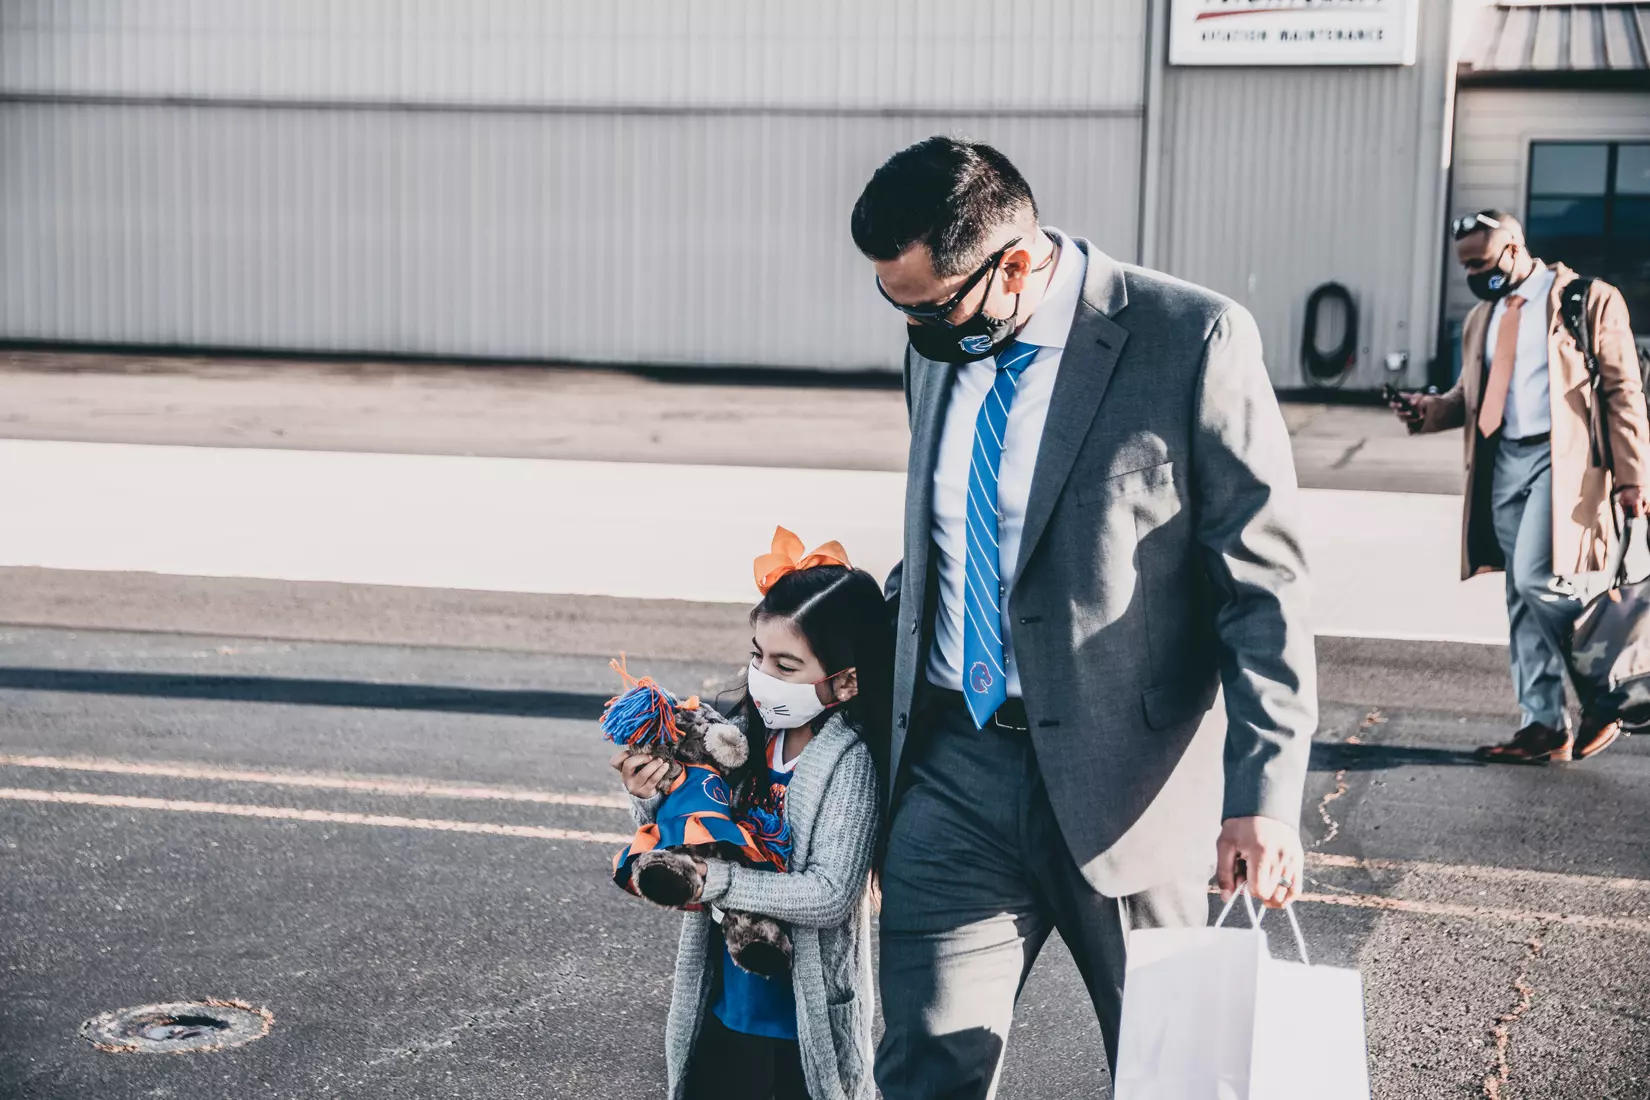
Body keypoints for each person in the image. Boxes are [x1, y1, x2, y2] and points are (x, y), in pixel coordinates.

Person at [851, 137, 1316, 1096]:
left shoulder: (1192, 338)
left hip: (1134, 790)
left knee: (1177, 1073)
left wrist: (1263, 796)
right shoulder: (938, 353)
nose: (914, 331)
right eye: (896, 308)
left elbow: (1263, 586)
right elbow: (950, 548)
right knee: (922, 1066)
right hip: (953, 775)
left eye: (931, 308)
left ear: (1014, 262)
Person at [613, 528, 890, 1100]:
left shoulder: (850, 763)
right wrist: (650, 792)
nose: (764, 677)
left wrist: (718, 881)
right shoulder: (739, 742)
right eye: (758, 656)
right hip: (724, 1006)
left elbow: (831, 894)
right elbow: (694, 823)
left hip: (802, 1024)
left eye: (787, 666)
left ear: (846, 680)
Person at [1393, 210, 1649, 764]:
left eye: (1481, 263)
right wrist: (1425, 410)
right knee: (1519, 594)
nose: (1473, 275)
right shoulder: (1482, 319)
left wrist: (1633, 477)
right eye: (1465, 266)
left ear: (1514, 249)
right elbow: (1471, 397)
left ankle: (1612, 686)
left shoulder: (1588, 300)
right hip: (1501, 462)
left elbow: (1624, 390)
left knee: (1537, 579)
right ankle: (1543, 726)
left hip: (1563, 460)